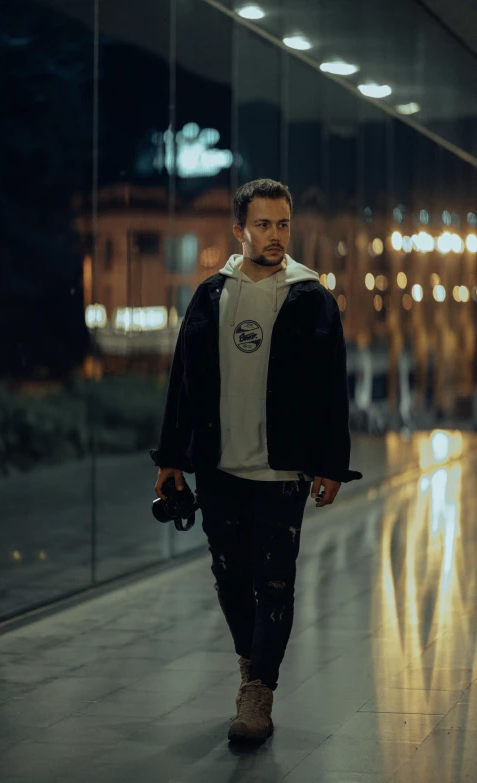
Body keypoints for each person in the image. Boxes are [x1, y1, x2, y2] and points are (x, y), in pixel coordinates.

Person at [151, 178, 362, 744]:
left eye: (283, 224)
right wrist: (172, 457)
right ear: (240, 229)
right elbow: (183, 383)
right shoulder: (210, 295)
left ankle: (258, 692)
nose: (275, 235)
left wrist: (330, 464)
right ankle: (251, 665)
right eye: (264, 224)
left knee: (274, 580)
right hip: (218, 466)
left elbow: (330, 389)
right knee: (229, 578)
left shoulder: (310, 294)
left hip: (282, 469)